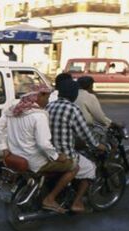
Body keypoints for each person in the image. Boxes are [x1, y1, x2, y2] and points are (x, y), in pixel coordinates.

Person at [0, 85, 77, 213]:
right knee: (73, 166)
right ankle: (50, 199)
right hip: (35, 160)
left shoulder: (13, 110)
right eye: (47, 97)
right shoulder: (39, 116)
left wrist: (4, 148)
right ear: (39, 96)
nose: (48, 101)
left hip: (16, 155)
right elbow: (44, 144)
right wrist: (57, 156)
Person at [46, 80, 107, 213]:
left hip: (48, 153)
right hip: (65, 154)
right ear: (73, 95)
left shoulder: (49, 106)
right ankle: (77, 202)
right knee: (91, 168)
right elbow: (85, 133)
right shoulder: (72, 109)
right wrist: (97, 145)